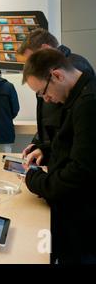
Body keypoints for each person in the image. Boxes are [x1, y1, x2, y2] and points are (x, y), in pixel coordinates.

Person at [21, 48, 96, 264]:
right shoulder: (75, 97)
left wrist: (35, 180)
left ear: (57, 75)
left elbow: (81, 171)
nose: (46, 99)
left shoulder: (88, 104)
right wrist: (45, 150)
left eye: (43, 92)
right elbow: (74, 143)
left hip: (82, 224)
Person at [17, 28, 94, 147]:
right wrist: (40, 144)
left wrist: (49, 149)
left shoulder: (75, 66)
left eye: (32, 58)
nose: (46, 98)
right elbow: (47, 116)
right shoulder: (48, 75)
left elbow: (62, 119)